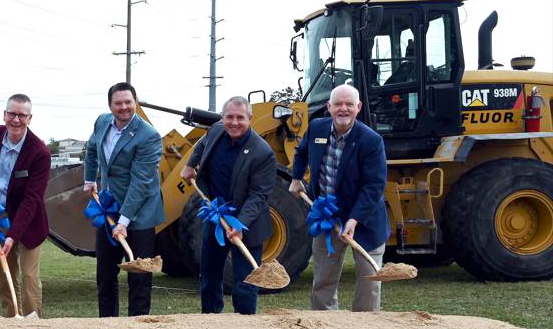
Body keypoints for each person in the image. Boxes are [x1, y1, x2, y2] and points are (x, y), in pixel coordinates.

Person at [289, 83, 389, 311]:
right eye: (338, 104)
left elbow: (374, 186)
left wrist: (353, 220)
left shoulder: (371, 141)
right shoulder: (316, 128)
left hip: (365, 219)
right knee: (323, 279)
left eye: (349, 104)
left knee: (369, 281)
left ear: (359, 107)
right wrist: (296, 178)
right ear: (329, 106)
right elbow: (301, 151)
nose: (343, 109)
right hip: (328, 216)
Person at [181, 95, 275, 315]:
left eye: (240, 118)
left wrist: (241, 224)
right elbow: (201, 144)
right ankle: (211, 322)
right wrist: (190, 164)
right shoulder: (215, 131)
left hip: (246, 224)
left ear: (250, 119)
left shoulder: (263, 153)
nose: (234, 122)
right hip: (216, 218)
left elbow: (258, 196)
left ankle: (245, 328)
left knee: (245, 284)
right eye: (229, 117)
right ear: (222, 118)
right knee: (210, 278)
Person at [82, 82, 164, 317]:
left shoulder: (148, 136)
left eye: (128, 102)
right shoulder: (101, 122)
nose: (124, 107)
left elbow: (141, 183)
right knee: (105, 272)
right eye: (118, 103)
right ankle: (107, 323)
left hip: (139, 214)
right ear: (110, 105)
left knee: (139, 274)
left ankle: (138, 326)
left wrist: (124, 222)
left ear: (135, 102)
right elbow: (91, 150)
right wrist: (90, 179)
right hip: (108, 207)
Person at [0, 94, 51, 317]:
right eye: (12, 114)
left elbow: (32, 199)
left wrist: (12, 235)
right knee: (5, 273)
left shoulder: (40, 153)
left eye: (22, 115)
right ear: (4, 114)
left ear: (30, 118)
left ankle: (32, 321)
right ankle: (9, 318)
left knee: (28, 276)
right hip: (0, 215)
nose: (16, 120)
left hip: (30, 220)